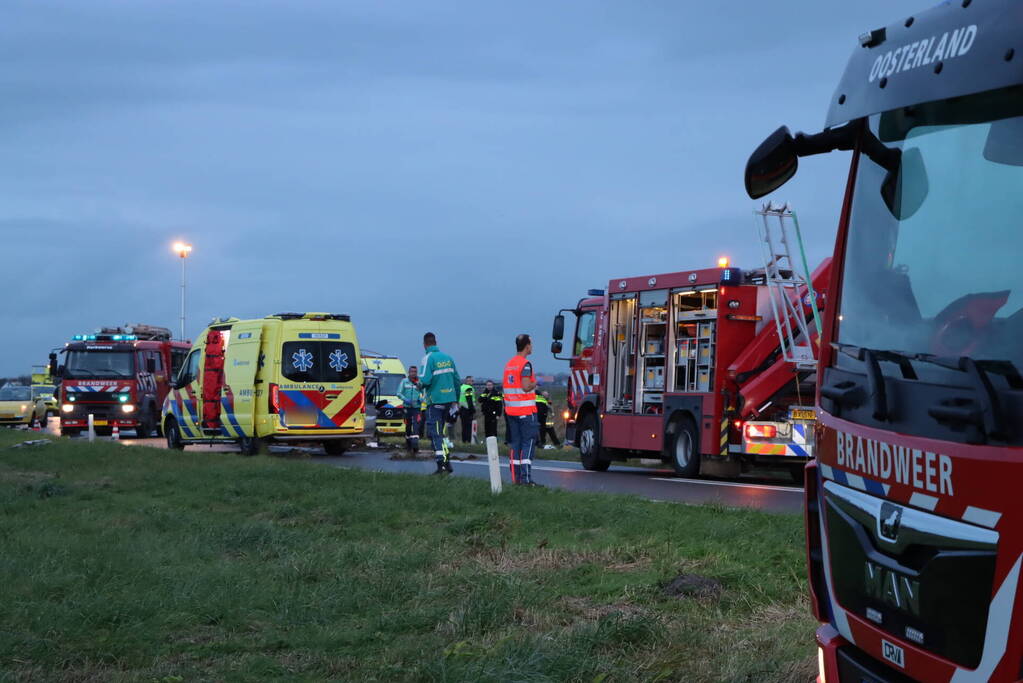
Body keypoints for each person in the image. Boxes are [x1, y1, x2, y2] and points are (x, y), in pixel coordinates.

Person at [420, 332, 461, 474]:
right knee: (441, 433)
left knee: (435, 433)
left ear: (425, 344)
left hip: (435, 401)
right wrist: (456, 399)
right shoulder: (448, 358)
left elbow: (425, 380)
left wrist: (418, 385)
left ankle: (441, 465)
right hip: (449, 400)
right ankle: (447, 461)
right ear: (436, 342)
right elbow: (457, 380)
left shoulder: (428, 358)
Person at [503, 333, 540, 486]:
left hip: (511, 411)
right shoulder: (525, 364)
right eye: (531, 344)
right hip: (525, 411)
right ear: (527, 346)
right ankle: (526, 479)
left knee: (516, 445)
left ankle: (516, 478)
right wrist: (535, 383)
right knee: (528, 443)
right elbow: (525, 386)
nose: (532, 346)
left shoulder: (509, 364)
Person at [395, 366, 423, 456]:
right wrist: (405, 399)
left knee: (416, 425)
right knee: (408, 425)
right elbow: (398, 393)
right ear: (409, 372)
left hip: (417, 407)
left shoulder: (419, 382)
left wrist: (421, 399)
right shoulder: (404, 381)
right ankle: (408, 445)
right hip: (407, 407)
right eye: (412, 371)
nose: (413, 373)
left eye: (415, 371)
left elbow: (424, 393)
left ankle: (415, 446)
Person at [458, 376, 476, 443]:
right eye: (469, 381)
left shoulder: (461, 387)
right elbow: (469, 400)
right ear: (466, 381)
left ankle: (464, 440)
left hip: (461, 409)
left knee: (464, 426)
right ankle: (468, 440)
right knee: (468, 427)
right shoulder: (468, 388)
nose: (470, 382)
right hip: (467, 409)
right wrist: (472, 410)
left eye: (471, 381)